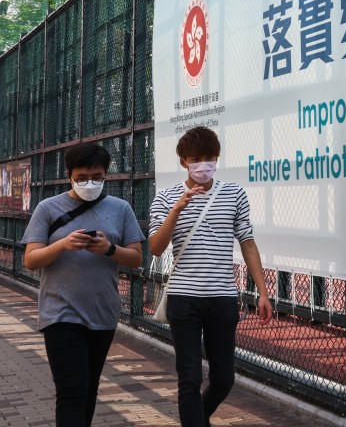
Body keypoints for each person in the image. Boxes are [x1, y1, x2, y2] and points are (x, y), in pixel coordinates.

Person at [149, 125, 272, 427]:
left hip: (222, 297)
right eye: (196, 159)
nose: (203, 165)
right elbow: (155, 247)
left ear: (217, 158)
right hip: (183, 298)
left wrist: (262, 292)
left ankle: (199, 418)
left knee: (224, 378)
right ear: (184, 162)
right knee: (189, 377)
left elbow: (247, 242)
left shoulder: (234, 193)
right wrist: (178, 209)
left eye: (210, 158)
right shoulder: (166, 197)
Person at [21, 142, 145, 427]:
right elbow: (31, 259)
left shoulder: (121, 209)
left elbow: (136, 258)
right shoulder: (48, 208)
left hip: (103, 313)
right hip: (60, 314)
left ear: (106, 175)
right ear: (69, 175)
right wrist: (63, 244)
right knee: (72, 391)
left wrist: (109, 249)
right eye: (82, 177)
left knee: (88, 389)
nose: (90, 183)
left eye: (97, 177)